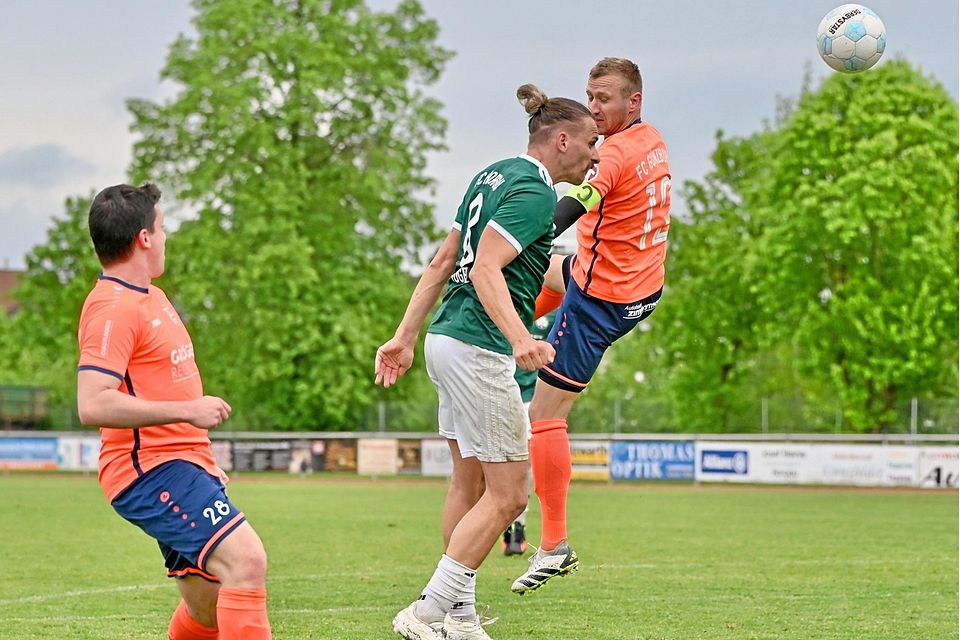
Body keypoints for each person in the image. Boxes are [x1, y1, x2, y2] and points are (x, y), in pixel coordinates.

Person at [375, 84, 599, 640]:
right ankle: (427, 611)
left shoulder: (492, 175)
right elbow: (484, 269)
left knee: (469, 481)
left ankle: (460, 616)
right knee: (510, 495)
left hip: (446, 339)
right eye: (591, 142)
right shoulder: (534, 192)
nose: (595, 155)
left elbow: (444, 260)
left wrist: (404, 337)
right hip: (479, 347)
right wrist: (522, 339)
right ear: (562, 139)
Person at [76, 183, 272, 639]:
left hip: (182, 466)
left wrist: (201, 463)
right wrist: (188, 411)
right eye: (162, 228)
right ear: (144, 238)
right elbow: (93, 401)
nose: (166, 238)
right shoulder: (112, 307)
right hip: (148, 471)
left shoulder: (152, 296)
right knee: (246, 561)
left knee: (208, 606)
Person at [511, 57, 672, 595]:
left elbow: (577, 201)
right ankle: (505, 328)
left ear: (633, 101)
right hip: (637, 284)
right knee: (540, 274)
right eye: (589, 96)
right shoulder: (652, 139)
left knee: (543, 416)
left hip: (599, 301)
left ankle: (554, 544)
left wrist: (530, 229)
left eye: (604, 99)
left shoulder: (614, 155)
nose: (594, 108)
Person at [502, 309, 556, 557]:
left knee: (523, 466)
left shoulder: (553, 314)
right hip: (499, 393)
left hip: (531, 399)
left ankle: (517, 528)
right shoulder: (506, 304)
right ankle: (503, 521)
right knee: (491, 468)